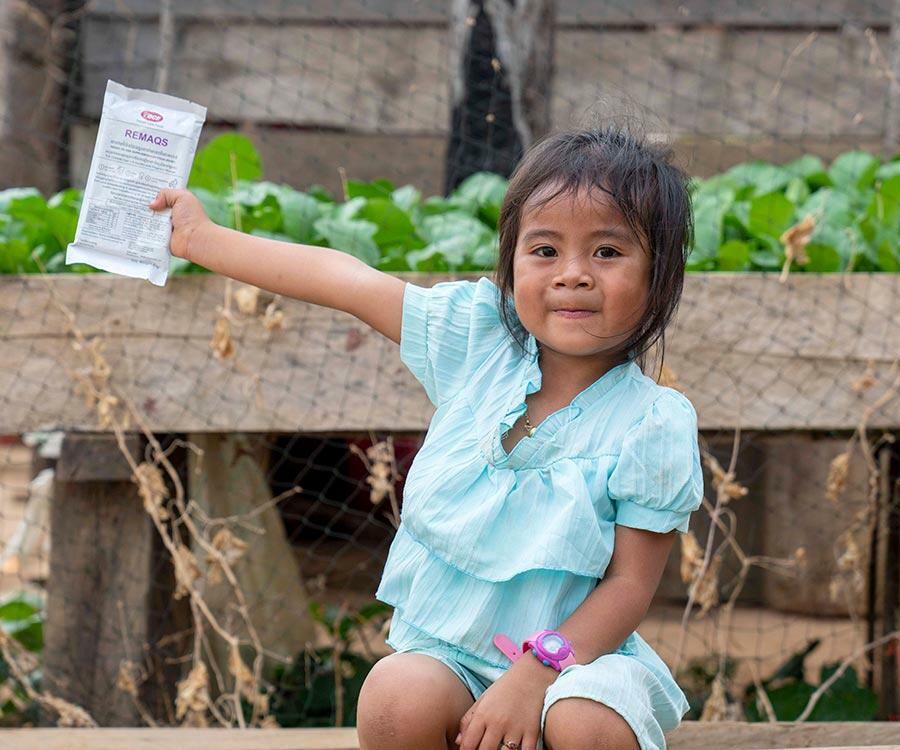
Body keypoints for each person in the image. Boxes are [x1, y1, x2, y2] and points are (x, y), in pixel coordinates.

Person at [149, 124, 704, 750]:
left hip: (577, 663)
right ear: (512, 260)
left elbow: (630, 586)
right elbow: (345, 280)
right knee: (394, 697)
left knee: (585, 725)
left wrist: (534, 675)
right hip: (455, 657)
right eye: (544, 250)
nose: (571, 275)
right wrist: (202, 238)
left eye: (607, 253)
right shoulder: (476, 342)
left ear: (660, 274)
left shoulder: (652, 421)